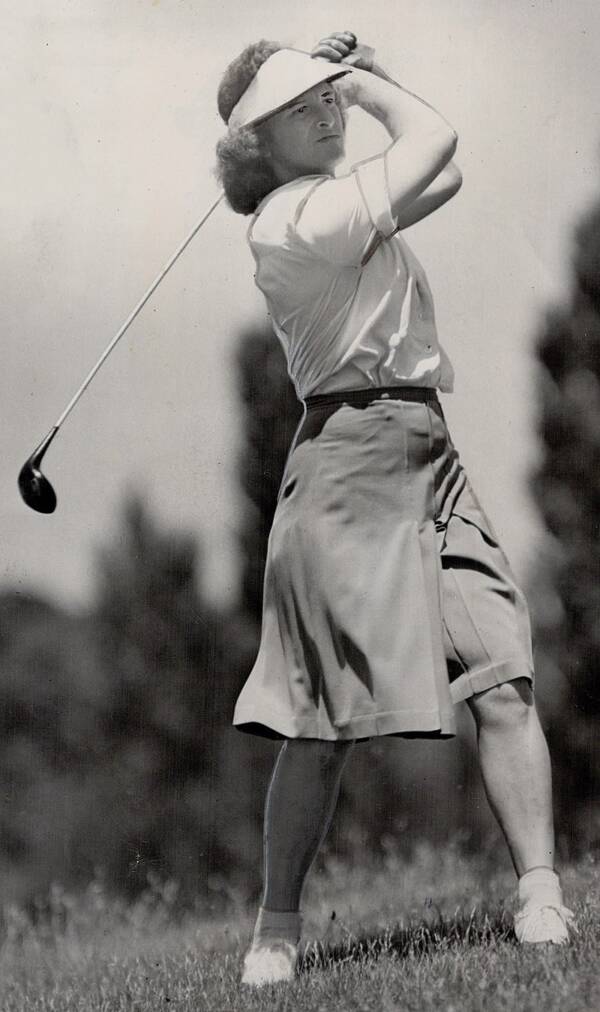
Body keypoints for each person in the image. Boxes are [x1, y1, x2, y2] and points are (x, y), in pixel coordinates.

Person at [215, 32, 575, 986]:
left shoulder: (336, 202)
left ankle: (540, 891)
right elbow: (437, 137)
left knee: (504, 674)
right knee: (321, 720)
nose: (329, 112)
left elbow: (441, 170)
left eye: (328, 98)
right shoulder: (294, 221)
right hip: (347, 463)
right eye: (306, 107)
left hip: (430, 451)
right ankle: (277, 930)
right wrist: (372, 83)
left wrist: (363, 78)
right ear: (260, 143)